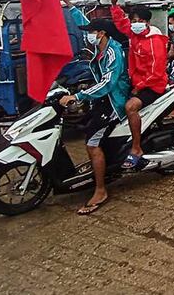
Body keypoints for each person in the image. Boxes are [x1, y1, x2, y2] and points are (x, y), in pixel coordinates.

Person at [58, 18, 131, 215]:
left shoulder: (113, 51)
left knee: (92, 143)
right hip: (102, 100)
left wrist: (78, 95)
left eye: (91, 32)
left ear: (101, 33)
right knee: (86, 128)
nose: (87, 36)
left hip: (114, 101)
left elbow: (108, 82)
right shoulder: (101, 50)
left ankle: (100, 191)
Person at [110, 0, 169, 171]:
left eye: (138, 20)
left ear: (147, 22)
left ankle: (136, 148)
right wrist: (114, 5)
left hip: (153, 85)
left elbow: (157, 71)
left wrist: (139, 87)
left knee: (130, 107)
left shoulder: (154, 41)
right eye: (133, 20)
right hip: (137, 82)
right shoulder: (135, 33)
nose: (134, 23)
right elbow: (121, 23)